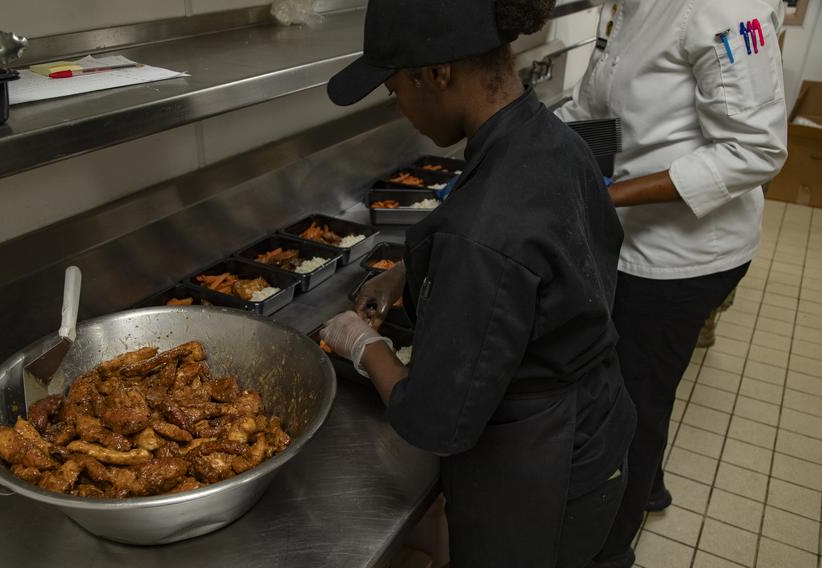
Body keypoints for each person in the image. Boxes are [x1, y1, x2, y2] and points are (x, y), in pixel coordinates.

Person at [320, 0, 637, 565]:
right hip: (595, 425)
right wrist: (410, 270)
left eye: (395, 91)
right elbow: (542, 263)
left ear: (436, 73)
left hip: (535, 469)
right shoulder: (552, 140)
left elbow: (434, 420)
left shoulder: (486, 227)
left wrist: (363, 346)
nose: (401, 110)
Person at [554, 1, 788, 565]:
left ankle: (608, 553)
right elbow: (594, 104)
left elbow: (757, 149)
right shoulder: (634, 5)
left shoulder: (725, 6)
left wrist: (609, 197)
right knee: (638, 386)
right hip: (635, 236)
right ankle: (648, 482)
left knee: (634, 403)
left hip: (686, 255)